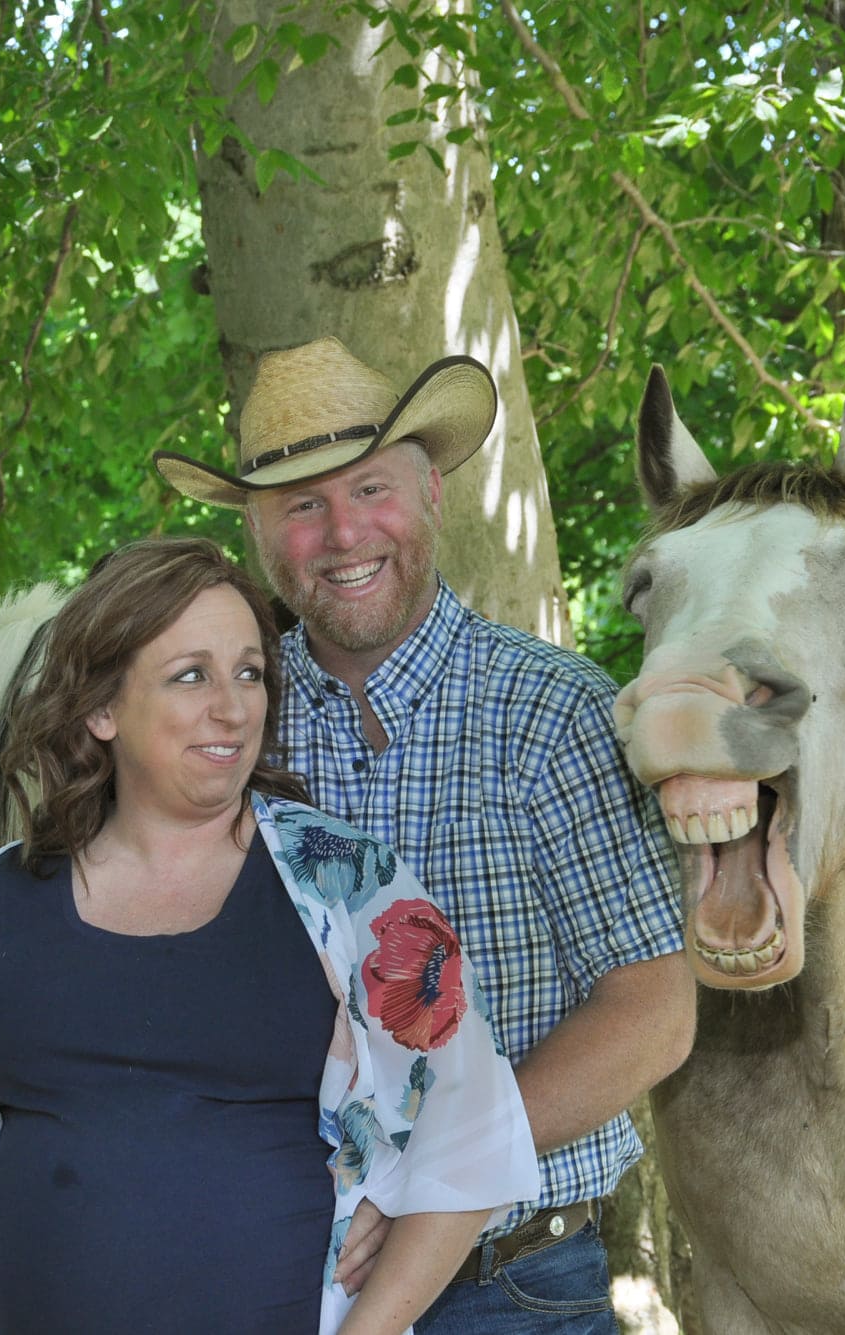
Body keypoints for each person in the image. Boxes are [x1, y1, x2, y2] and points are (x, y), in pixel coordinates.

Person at [0, 536, 540, 1335]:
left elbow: (471, 1130)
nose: (233, 706)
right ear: (102, 708)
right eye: (191, 674)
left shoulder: (348, 887)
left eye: (249, 672)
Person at [154, 338, 694, 1333]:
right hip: (266, 1283)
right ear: (260, 532)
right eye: (302, 505)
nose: (343, 532)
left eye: (369, 489)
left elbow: (654, 1012)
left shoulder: (553, 715)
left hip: (519, 1285)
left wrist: (427, 1178)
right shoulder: (224, 726)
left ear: (433, 489)